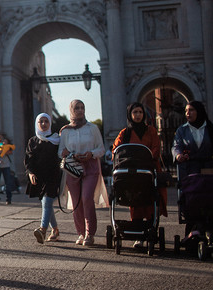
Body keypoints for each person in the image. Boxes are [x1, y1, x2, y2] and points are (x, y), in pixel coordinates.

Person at [112, 102, 167, 248]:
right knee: (134, 200)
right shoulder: (124, 133)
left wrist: (146, 160)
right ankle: (136, 231)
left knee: (149, 199)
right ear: (130, 114)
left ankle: (149, 228)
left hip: (147, 169)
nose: (137, 115)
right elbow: (116, 150)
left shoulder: (151, 131)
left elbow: (155, 148)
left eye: (140, 112)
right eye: (135, 112)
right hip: (130, 172)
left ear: (144, 115)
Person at [59, 99, 106, 247]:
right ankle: (80, 232)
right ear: (71, 110)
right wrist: (65, 153)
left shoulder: (92, 128)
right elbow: (60, 152)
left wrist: (91, 154)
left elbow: (102, 149)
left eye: (82, 107)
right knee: (76, 201)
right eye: (77, 108)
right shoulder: (65, 131)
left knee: (86, 198)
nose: (80, 110)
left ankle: (90, 233)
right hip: (72, 168)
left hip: (90, 166)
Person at [172, 100, 213, 242]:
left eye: (191, 110)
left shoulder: (210, 129)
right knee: (192, 196)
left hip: (209, 167)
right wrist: (178, 155)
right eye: (186, 111)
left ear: (199, 111)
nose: (188, 113)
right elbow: (176, 145)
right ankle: (193, 227)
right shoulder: (181, 130)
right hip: (190, 168)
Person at [25, 113, 62, 243]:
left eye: (46, 121)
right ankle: (55, 230)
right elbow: (29, 160)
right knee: (46, 204)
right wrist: (30, 173)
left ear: (50, 123)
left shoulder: (56, 139)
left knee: (47, 202)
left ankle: (42, 229)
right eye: (41, 121)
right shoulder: (33, 141)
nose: (44, 124)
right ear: (37, 123)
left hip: (53, 175)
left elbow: (62, 155)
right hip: (38, 176)